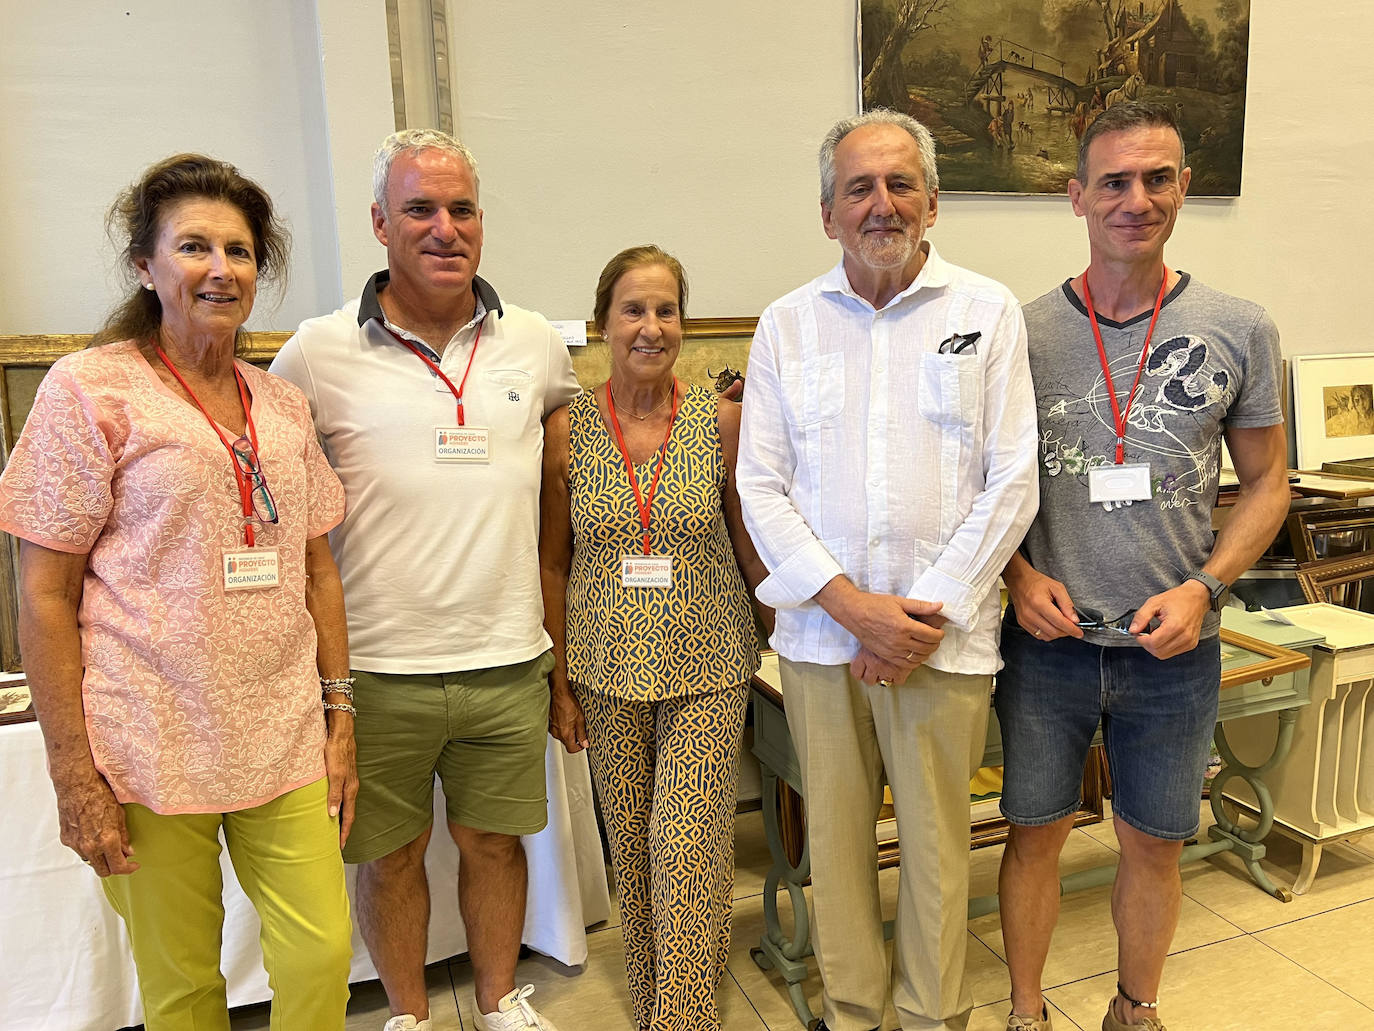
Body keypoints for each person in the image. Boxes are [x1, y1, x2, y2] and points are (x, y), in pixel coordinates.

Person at [0, 153, 356, 1029]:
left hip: (280, 732)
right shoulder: (90, 390)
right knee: (183, 980)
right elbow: (43, 593)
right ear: (146, 265)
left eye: (239, 251)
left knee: (320, 954)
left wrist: (340, 714)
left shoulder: (279, 404)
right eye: (194, 246)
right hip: (147, 739)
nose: (221, 268)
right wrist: (73, 771)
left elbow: (316, 565)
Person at [736, 109, 1039, 1031]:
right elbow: (761, 484)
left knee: (941, 846)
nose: (880, 204)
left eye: (899, 183)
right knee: (834, 843)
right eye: (858, 188)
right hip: (823, 639)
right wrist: (853, 609)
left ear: (933, 201)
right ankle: (856, 1011)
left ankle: (930, 1014)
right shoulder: (788, 325)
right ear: (827, 213)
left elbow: (1012, 480)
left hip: (940, 643)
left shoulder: (986, 313)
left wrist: (918, 617)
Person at [270, 128, 579, 1031]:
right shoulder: (315, 354)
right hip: (374, 670)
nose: (444, 228)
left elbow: (565, 491)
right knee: (391, 855)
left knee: (494, 844)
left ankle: (496, 1000)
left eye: (461, 209)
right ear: (379, 223)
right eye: (420, 209)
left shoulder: (533, 345)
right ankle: (408, 1013)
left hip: (507, 656)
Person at [995, 101, 1289, 1031]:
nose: (1137, 198)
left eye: (1157, 177)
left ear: (1183, 188)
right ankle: (1028, 1011)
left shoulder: (1239, 326)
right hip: (1050, 643)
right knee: (1032, 836)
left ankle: (1137, 1007)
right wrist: (1012, 575)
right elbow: (979, 488)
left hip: (1175, 646)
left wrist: (1206, 588)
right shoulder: (1022, 331)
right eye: (1114, 181)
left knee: (1154, 843)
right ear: (1075, 195)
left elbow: (1271, 482)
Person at [538, 246, 770, 1031]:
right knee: (631, 849)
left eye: (666, 309)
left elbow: (748, 539)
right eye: (633, 309)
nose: (651, 326)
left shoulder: (725, 419)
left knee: (686, 840)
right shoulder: (565, 431)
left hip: (709, 656)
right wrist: (559, 681)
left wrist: (792, 625)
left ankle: (684, 1016)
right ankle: (655, 997)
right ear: (602, 323)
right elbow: (554, 560)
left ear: (684, 323)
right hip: (604, 665)